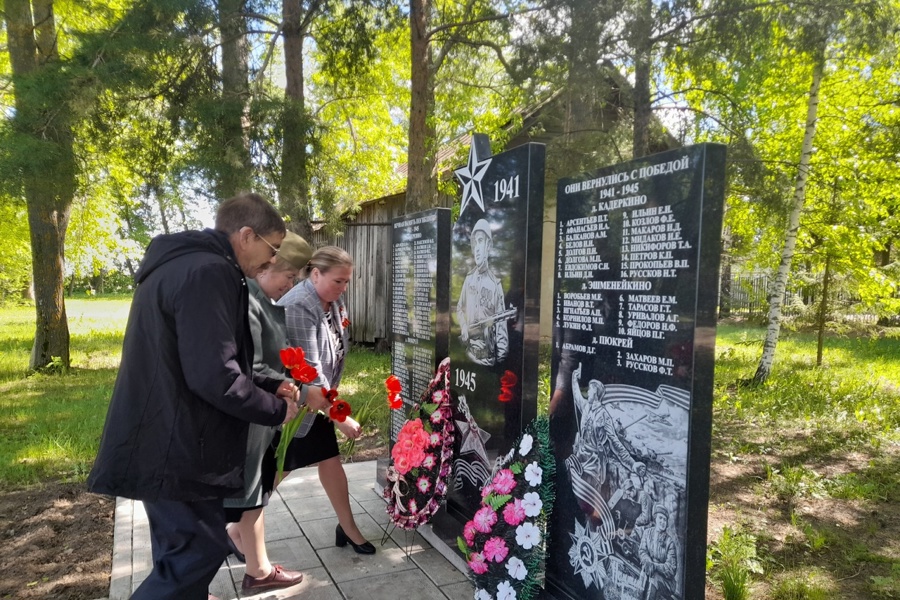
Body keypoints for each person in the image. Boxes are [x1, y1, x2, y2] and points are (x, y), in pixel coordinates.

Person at [87, 193, 329, 600]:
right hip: (176, 441)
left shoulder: (183, 263)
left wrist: (268, 384)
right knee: (199, 550)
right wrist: (275, 410)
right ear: (246, 235)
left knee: (179, 552)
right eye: (271, 250)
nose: (272, 262)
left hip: (162, 433)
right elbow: (213, 376)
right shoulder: (211, 271)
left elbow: (202, 356)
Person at [223, 231, 315, 592]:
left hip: (263, 417)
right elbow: (253, 368)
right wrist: (299, 390)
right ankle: (247, 569)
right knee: (245, 496)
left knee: (255, 495)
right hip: (251, 418)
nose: (291, 285)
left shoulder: (264, 300)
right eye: (289, 277)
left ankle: (257, 568)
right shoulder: (249, 303)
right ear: (266, 267)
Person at [277, 246, 375, 554]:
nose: (343, 288)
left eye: (347, 281)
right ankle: (238, 530)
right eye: (338, 281)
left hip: (318, 402)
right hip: (293, 405)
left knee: (329, 460)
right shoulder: (297, 306)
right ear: (315, 273)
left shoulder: (331, 298)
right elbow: (310, 373)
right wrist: (340, 416)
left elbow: (338, 344)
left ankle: (348, 528)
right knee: (277, 467)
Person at [456, 218, 509, 366]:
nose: (477, 248)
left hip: (487, 361)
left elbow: (501, 332)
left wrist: (500, 364)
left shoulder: (495, 285)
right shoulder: (469, 280)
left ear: (488, 246)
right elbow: (459, 308)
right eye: (474, 244)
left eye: (480, 241)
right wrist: (464, 327)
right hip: (468, 356)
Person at [638, 505, 678, 600]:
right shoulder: (647, 533)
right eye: (660, 518)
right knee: (644, 572)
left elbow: (671, 568)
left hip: (666, 582)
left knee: (654, 577)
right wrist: (647, 562)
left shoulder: (669, 542)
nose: (662, 522)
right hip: (649, 571)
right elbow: (642, 550)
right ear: (655, 518)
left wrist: (655, 566)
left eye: (665, 519)